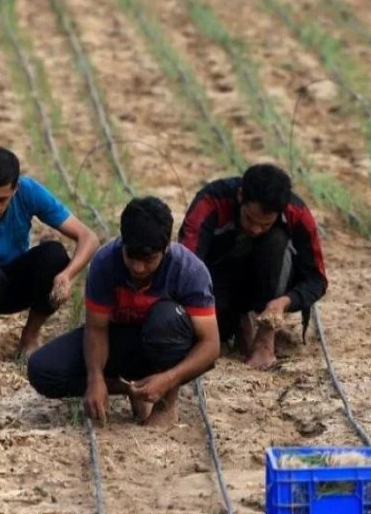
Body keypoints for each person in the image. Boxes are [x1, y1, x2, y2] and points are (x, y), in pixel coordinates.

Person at [26, 196, 221, 427]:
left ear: (166, 248)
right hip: (118, 340)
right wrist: (95, 378)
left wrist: (169, 379)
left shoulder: (189, 271)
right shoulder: (106, 262)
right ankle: (134, 389)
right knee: (42, 370)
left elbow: (211, 345)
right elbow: (97, 329)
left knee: (166, 319)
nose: (138, 268)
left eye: (148, 260)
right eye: (131, 257)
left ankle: (165, 405)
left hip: (164, 344)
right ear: (122, 243)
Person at [0, 147, 99, 368]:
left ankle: (30, 336)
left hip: (14, 284)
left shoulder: (30, 192)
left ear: (16, 189)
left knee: (53, 256)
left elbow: (88, 237)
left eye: (1, 200)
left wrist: (67, 275)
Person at [178, 163, 327, 369]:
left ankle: (265, 340)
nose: (256, 229)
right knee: (215, 330)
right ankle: (237, 320)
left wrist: (284, 302)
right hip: (219, 278)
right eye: (249, 219)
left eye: (265, 224)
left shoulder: (297, 214)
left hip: (271, 279)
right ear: (240, 196)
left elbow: (317, 279)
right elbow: (186, 266)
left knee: (275, 241)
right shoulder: (211, 202)